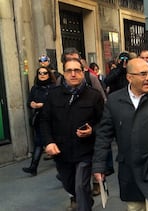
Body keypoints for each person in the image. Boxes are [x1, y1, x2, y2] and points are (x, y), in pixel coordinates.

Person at [92, 58, 148, 211]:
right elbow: (104, 135)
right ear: (129, 77)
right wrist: (99, 165)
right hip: (129, 172)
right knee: (134, 208)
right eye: (142, 74)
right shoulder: (114, 101)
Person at [40, 58, 104, 210]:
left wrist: (92, 130)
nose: (73, 74)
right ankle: (85, 200)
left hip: (85, 151)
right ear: (64, 73)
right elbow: (44, 120)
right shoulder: (53, 95)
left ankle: (84, 206)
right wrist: (49, 142)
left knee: (81, 185)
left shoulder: (94, 96)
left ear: (83, 72)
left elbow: (104, 122)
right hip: (61, 152)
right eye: (69, 71)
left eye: (77, 70)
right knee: (70, 185)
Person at [22, 66, 56, 176]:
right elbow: (29, 102)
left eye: (45, 73)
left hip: (52, 119)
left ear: (49, 74)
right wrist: (32, 104)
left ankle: (64, 167)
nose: (42, 75)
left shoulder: (53, 88)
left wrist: (43, 105)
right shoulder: (35, 88)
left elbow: (56, 103)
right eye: (40, 73)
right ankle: (33, 167)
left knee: (54, 142)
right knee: (38, 143)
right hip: (39, 119)